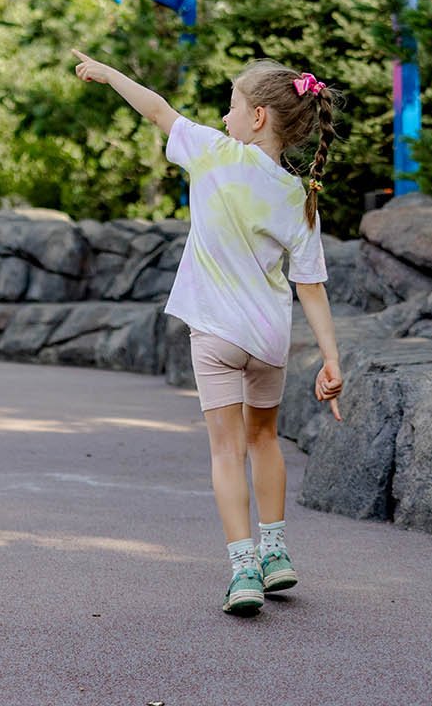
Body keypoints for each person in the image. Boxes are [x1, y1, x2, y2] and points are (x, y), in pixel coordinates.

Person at [71, 50, 345, 617]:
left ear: (259, 118)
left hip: (217, 336)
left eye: (232, 106)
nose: (224, 118)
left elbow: (156, 109)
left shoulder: (215, 154)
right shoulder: (300, 196)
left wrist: (107, 72)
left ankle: (243, 570)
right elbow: (311, 285)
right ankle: (276, 552)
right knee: (264, 440)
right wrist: (330, 361)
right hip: (269, 340)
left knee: (225, 449)